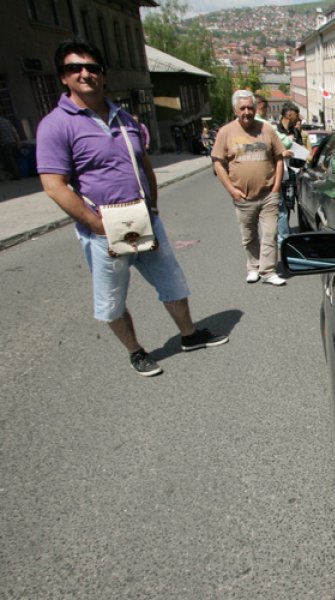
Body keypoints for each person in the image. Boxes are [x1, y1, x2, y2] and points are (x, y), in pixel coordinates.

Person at [36, 39, 228, 377]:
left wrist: (152, 207)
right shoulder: (56, 125)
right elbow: (54, 185)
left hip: (143, 219)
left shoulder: (124, 117)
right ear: (63, 77)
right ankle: (136, 351)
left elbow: (144, 165)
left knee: (172, 282)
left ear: (103, 74)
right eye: (75, 68)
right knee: (111, 299)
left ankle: (189, 335)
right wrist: (96, 224)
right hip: (104, 227)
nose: (85, 74)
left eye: (92, 67)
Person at [211, 89, 287, 286]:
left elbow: (279, 158)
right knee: (249, 235)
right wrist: (232, 190)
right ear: (235, 110)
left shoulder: (266, 129)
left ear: (255, 109)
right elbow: (218, 164)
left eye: (250, 108)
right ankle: (253, 267)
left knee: (270, 234)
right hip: (243, 196)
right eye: (242, 108)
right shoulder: (226, 132)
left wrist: (276, 186)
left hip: (268, 193)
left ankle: (268, 271)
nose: (247, 112)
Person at [274, 102, 306, 246]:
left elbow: (301, 148)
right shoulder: (275, 131)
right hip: (279, 172)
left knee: (288, 203)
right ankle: (282, 236)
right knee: (279, 206)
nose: (298, 118)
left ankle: (284, 232)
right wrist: (282, 153)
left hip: (293, 172)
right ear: (289, 115)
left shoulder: (296, 131)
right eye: (296, 115)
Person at [0, 115, 21, 180]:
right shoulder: (7, 121)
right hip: (13, 142)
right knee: (14, 159)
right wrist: (18, 142)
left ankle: (16, 176)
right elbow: (14, 132)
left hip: (5, 144)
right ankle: (18, 173)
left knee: (10, 161)